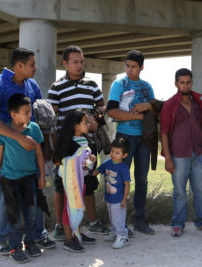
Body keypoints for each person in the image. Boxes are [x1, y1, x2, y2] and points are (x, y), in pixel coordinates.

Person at [0, 48, 55, 254]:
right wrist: (19, 137)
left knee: (35, 191)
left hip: (31, 148)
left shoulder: (32, 84)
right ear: (19, 66)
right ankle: (4, 238)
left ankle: (37, 235)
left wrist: (42, 144)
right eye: (32, 64)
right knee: (5, 196)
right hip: (7, 148)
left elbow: (39, 114)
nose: (36, 68)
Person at [47, 45, 109, 241]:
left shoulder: (91, 85)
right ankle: (59, 226)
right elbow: (50, 116)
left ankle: (92, 223)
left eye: (82, 61)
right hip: (65, 145)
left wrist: (97, 115)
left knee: (88, 183)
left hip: (87, 143)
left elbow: (102, 107)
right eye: (75, 61)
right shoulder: (56, 87)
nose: (79, 65)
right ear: (65, 64)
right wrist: (54, 146)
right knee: (61, 185)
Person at [160, 68, 202, 237]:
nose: (185, 85)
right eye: (182, 82)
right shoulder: (169, 105)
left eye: (188, 82)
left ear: (192, 83)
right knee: (180, 191)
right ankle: (178, 224)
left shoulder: (199, 104)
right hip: (179, 156)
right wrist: (167, 159)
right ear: (176, 84)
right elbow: (163, 132)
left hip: (200, 153)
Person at [0, 94, 46, 263]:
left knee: (31, 216)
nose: (30, 115)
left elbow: (39, 154)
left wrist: (42, 176)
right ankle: (15, 247)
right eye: (26, 112)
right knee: (13, 218)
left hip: (30, 180)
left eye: (30, 112)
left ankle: (30, 243)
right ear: (13, 114)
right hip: (9, 182)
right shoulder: (3, 131)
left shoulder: (34, 129)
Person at [107, 49, 155, 235]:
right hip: (124, 138)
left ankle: (140, 221)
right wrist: (139, 117)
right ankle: (119, 224)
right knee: (119, 179)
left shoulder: (147, 86)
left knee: (141, 180)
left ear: (141, 67)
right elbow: (111, 111)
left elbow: (155, 111)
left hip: (144, 139)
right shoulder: (119, 84)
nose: (129, 70)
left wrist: (149, 106)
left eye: (134, 67)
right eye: (127, 66)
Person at [53, 109, 97, 252]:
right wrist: (78, 160)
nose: (89, 124)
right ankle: (68, 239)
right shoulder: (67, 142)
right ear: (75, 125)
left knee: (78, 206)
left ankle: (76, 233)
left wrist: (90, 160)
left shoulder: (85, 139)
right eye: (85, 122)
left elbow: (85, 161)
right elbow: (58, 161)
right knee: (70, 207)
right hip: (70, 182)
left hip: (81, 180)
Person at [92, 138, 131, 248]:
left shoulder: (124, 168)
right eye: (112, 151)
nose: (113, 154)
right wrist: (89, 163)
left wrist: (124, 199)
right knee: (112, 218)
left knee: (118, 219)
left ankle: (123, 237)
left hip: (119, 199)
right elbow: (95, 172)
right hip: (109, 197)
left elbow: (127, 184)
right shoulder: (107, 163)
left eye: (117, 153)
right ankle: (114, 233)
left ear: (124, 155)